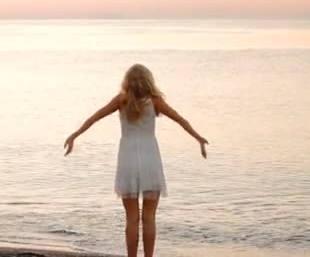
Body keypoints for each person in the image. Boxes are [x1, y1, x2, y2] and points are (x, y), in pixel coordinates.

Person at [64, 63, 208, 257]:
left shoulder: (121, 101)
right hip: (150, 158)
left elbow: (94, 118)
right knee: (149, 217)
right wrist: (198, 138)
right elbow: (180, 120)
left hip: (128, 159)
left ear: (127, 82)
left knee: (131, 218)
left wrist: (75, 135)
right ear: (149, 81)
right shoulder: (155, 101)